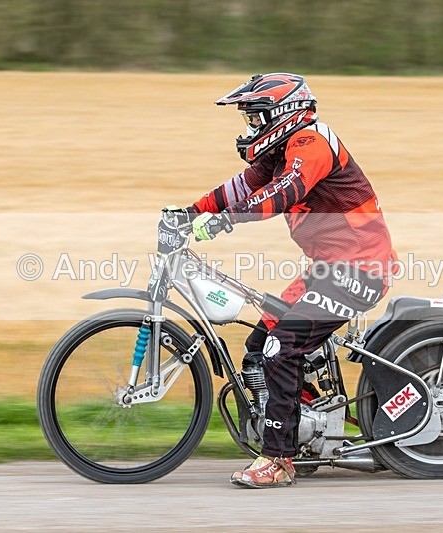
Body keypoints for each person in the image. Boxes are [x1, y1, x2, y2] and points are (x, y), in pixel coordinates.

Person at [169, 73, 395, 488]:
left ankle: (278, 459)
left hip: (360, 268)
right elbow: (240, 187)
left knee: (280, 347)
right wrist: (189, 211)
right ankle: (316, 429)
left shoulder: (311, 144)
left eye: (255, 118)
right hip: (327, 269)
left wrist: (221, 223)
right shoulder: (281, 151)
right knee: (259, 343)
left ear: (283, 113)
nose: (250, 128)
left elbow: (282, 193)